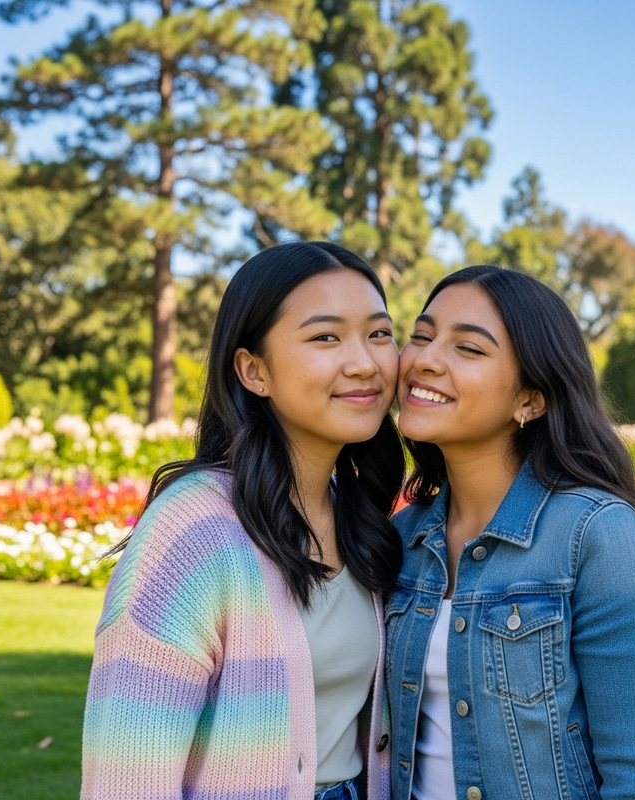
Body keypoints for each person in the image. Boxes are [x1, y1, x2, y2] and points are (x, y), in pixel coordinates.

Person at [82, 242, 405, 800]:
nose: (365, 362)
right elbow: (126, 778)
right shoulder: (193, 532)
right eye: (325, 336)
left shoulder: (358, 512)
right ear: (254, 370)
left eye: (378, 333)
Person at [385, 266, 635, 800]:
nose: (425, 358)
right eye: (421, 336)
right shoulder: (403, 537)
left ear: (530, 400)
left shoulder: (597, 537)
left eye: (468, 348)